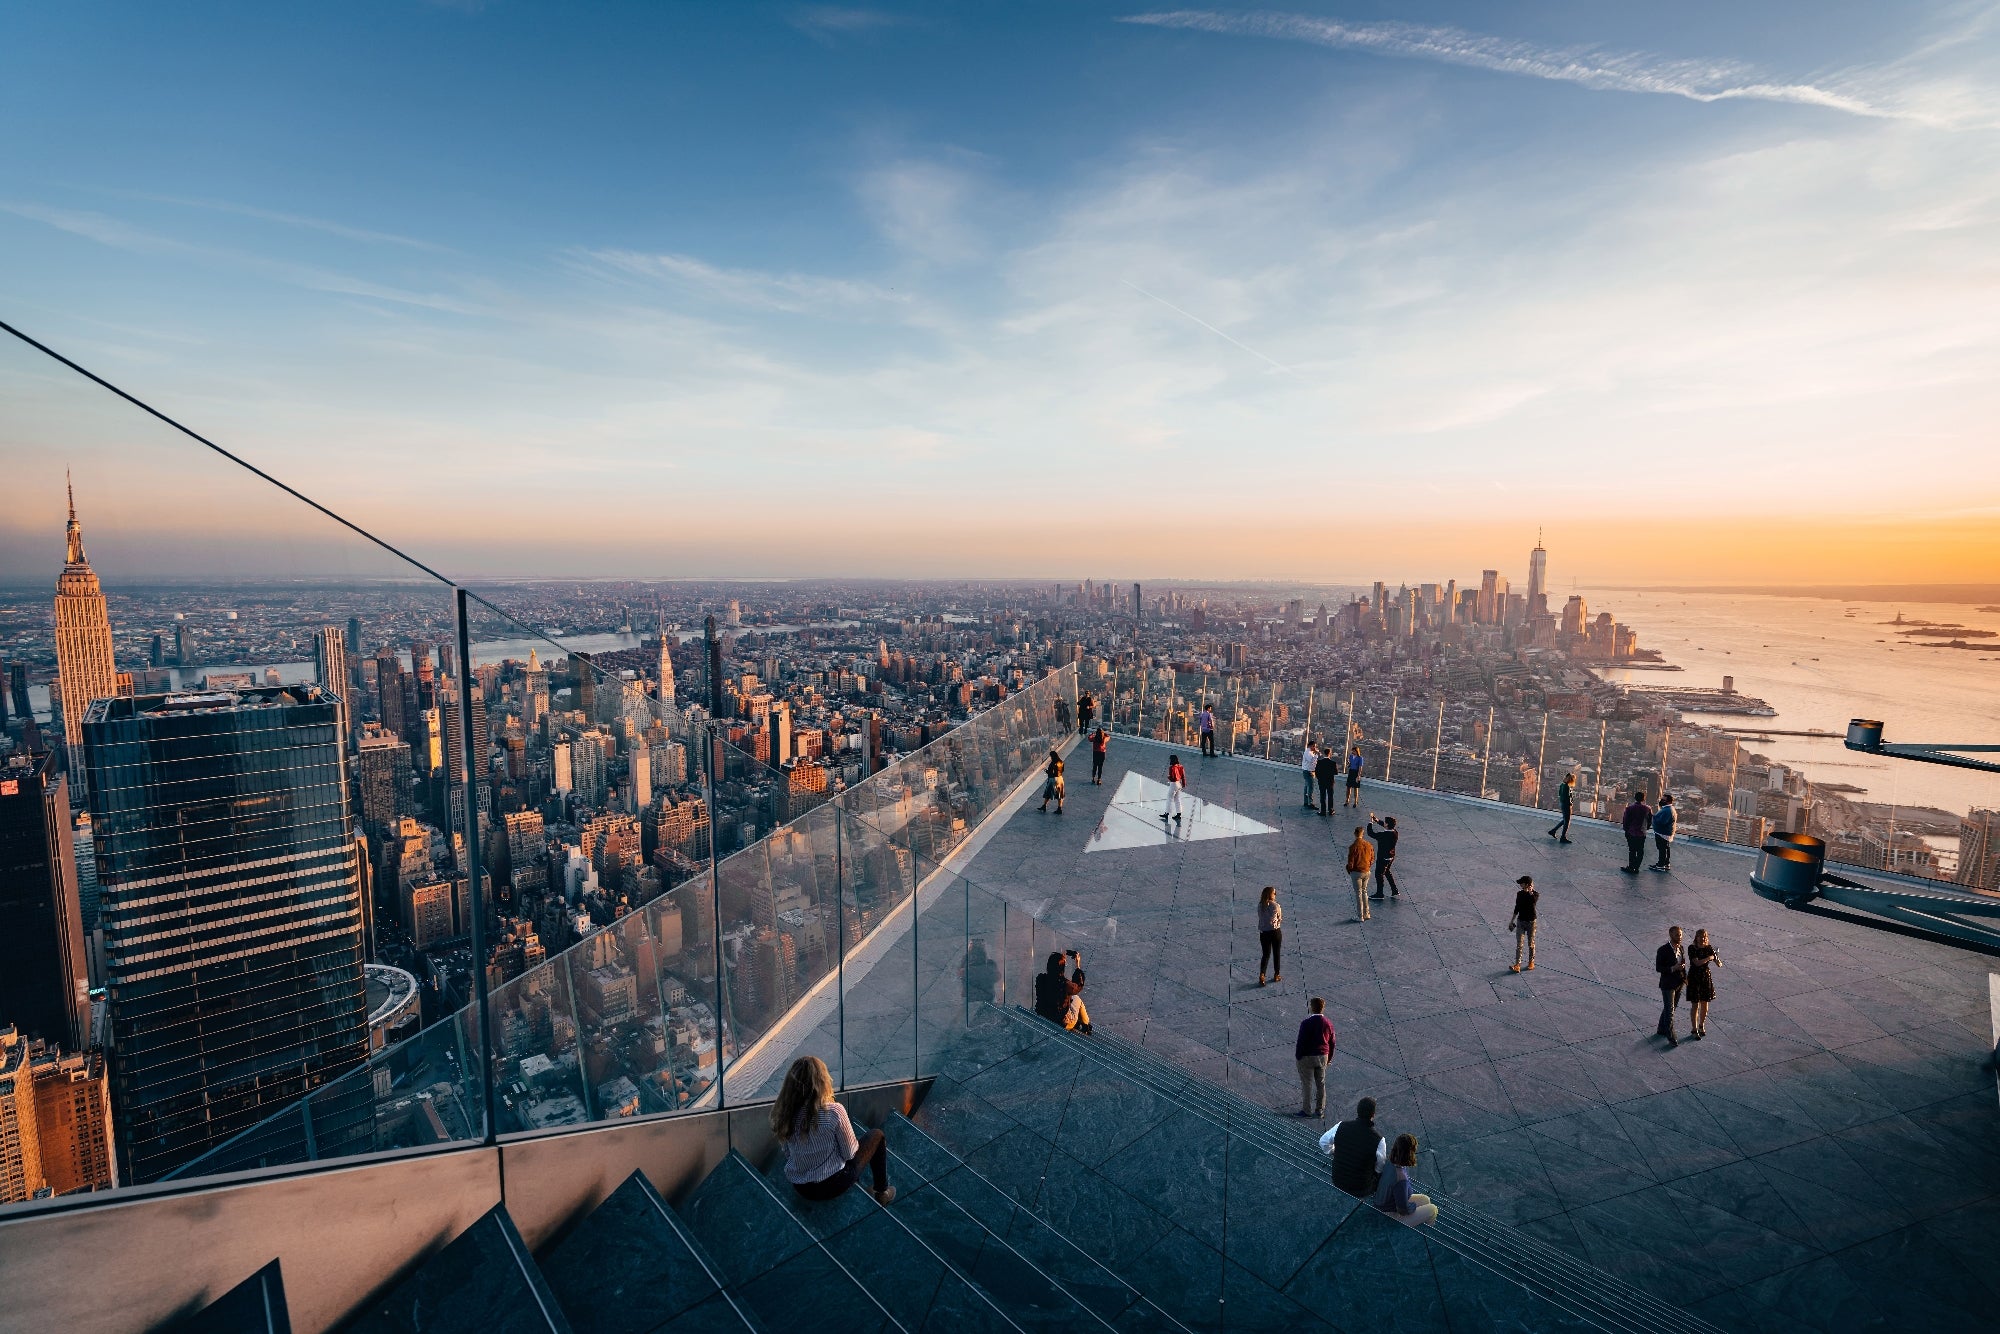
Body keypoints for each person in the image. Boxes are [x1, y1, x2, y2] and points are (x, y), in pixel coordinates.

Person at [773, 1056, 894, 1205]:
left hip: (802, 1187)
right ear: (822, 1081)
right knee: (877, 1135)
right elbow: (849, 1154)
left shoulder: (785, 1114)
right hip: (834, 1185)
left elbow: (788, 1153)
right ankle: (882, 1192)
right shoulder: (833, 1111)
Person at [1320, 1097, 1387, 1198]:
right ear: (1373, 1115)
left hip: (1338, 1180)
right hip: (1361, 1188)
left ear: (1357, 1111)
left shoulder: (1341, 1126)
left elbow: (1323, 1142)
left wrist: (1333, 1150)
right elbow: (1379, 1167)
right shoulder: (1379, 1140)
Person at [1374, 1134, 1437, 1227]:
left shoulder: (1389, 1162)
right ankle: (1429, 1227)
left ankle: (1421, 1219)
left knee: (1425, 1199)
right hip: (1391, 1214)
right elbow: (1403, 1210)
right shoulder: (1401, 1178)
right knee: (1433, 1209)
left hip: (1384, 1203)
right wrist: (1413, 1206)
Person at [1294, 998, 1335, 1119]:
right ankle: (1320, 1110)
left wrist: (1298, 1056)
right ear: (1323, 1008)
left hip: (1307, 1057)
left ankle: (1306, 1110)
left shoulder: (1306, 1023)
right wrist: (1329, 1058)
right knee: (1321, 1083)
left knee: (1307, 1084)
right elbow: (1332, 1042)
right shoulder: (1328, 1023)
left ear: (1311, 1007)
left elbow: (1301, 1042)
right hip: (1323, 1056)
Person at [1033, 950, 1091, 1033]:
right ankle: (1086, 1025)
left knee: (1072, 997)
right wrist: (1077, 965)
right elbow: (1078, 986)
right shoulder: (1065, 984)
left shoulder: (1041, 979)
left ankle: (1083, 1023)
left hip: (1044, 1015)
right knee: (1077, 999)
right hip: (1061, 1022)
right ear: (1062, 968)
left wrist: (1060, 959)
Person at [1686, 928, 1721, 1039]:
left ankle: (1701, 1025)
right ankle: (1694, 1028)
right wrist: (1709, 957)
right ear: (1696, 937)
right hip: (1695, 977)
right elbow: (1696, 963)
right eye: (1700, 936)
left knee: (1705, 1003)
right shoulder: (1692, 948)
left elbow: (1719, 964)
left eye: (1704, 936)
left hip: (1705, 977)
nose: (1702, 938)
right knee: (1695, 1004)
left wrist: (1717, 959)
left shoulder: (1709, 948)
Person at [1655, 925, 1687, 1046]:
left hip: (1679, 983)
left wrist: (1685, 977)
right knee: (1670, 1011)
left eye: (1680, 935)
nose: (1679, 937)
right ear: (1671, 935)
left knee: (1671, 1008)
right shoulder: (1663, 950)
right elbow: (1658, 968)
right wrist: (1673, 968)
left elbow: (1682, 964)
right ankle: (1671, 1036)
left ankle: (1661, 1029)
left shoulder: (1681, 948)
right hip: (1668, 985)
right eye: (1677, 935)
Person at [1507, 874, 1538, 972]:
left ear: (1527, 884)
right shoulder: (1519, 894)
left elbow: (1533, 902)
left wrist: (1530, 893)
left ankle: (1531, 962)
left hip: (1531, 922)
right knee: (1519, 944)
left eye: (1522, 883)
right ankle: (1517, 965)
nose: (1520, 885)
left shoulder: (1535, 894)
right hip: (1520, 921)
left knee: (1531, 943)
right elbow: (1517, 908)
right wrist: (1512, 921)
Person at [1366, 813, 1400, 899]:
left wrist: (1370, 822)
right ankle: (1394, 890)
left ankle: (1380, 894)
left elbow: (1370, 833)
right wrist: (1377, 820)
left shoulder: (1383, 835)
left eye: (1385, 822)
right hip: (1391, 856)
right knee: (1387, 872)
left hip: (1383, 858)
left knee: (1379, 874)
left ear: (1387, 824)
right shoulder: (1395, 832)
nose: (1384, 823)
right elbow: (1385, 826)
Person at [1620, 791, 1654, 875]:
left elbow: (1625, 821)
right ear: (1643, 798)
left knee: (1632, 850)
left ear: (1635, 798)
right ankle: (1637, 867)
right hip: (1642, 833)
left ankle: (1631, 867)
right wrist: (1646, 828)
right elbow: (1650, 821)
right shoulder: (1648, 809)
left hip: (1631, 832)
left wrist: (1626, 830)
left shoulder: (1629, 808)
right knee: (1640, 850)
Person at [1346, 827, 1375, 921]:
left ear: (1355, 833)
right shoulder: (1369, 845)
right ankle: (1367, 914)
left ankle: (1360, 916)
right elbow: (1372, 858)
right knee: (1364, 892)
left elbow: (1350, 863)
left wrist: (1349, 870)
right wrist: (1368, 866)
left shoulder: (1353, 846)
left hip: (1356, 873)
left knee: (1358, 894)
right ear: (1363, 834)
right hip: (1367, 871)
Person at [1257, 885, 1283, 985]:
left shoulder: (1260, 905)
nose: (1275, 894)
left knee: (1265, 954)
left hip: (1264, 933)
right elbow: (1279, 918)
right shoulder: (1276, 906)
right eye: (1274, 892)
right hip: (1275, 932)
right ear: (1270, 894)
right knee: (1276, 954)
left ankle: (1262, 974)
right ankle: (1276, 974)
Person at [1651, 793, 1677, 871]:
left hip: (1662, 833)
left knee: (1662, 849)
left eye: (1663, 800)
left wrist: (1653, 817)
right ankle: (1666, 863)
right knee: (1665, 848)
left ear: (1668, 801)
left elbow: (1662, 822)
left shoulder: (1667, 810)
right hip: (1665, 832)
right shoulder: (1669, 808)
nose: (1661, 801)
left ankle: (1661, 865)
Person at [1548, 774, 1575, 844]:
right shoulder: (1567, 787)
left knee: (1565, 820)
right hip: (1566, 805)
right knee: (1567, 822)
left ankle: (1553, 831)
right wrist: (1570, 803)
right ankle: (1563, 837)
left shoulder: (1562, 785)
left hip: (1563, 804)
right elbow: (1567, 797)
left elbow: (1560, 794)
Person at [1162, 754, 1187, 828]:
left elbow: (1173, 778)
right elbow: (1183, 776)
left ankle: (1167, 814)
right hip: (1179, 784)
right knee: (1177, 799)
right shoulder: (1180, 766)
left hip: (1173, 784)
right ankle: (1178, 814)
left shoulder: (1171, 768)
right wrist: (1184, 784)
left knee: (1169, 799)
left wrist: (1169, 777)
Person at [1037, 748, 1065, 814]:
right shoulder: (1061, 762)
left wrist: (1045, 770)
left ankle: (1044, 806)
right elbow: (1062, 770)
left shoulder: (1053, 763)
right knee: (1059, 794)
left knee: (1048, 793)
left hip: (1053, 779)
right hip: (1060, 779)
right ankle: (1059, 808)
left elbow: (1050, 772)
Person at [1315, 745, 1340, 816]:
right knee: (1330, 796)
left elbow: (1316, 772)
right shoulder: (1333, 763)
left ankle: (1323, 811)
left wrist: (1319, 778)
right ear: (1330, 754)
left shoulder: (1319, 762)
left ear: (1324, 753)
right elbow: (1336, 772)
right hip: (1330, 782)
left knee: (1322, 796)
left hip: (1321, 782)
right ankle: (1330, 810)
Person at [1300, 740, 1320, 809]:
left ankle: (1306, 802)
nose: (1315, 748)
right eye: (1314, 746)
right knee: (1310, 787)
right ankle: (1310, 803)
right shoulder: (1308, 752)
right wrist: (1316, 755)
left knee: (1307, 786)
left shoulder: (1309, 752)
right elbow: (1311, 761)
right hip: (1309, 772)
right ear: (1310, 746)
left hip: (1307, 771)